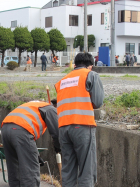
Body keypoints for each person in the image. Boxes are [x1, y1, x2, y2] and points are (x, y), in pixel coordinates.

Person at [55, 52, 104, 187]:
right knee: (86, 170)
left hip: (64, 128)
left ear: (75, 65)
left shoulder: (63, 81)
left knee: (68, 171)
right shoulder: (90, 75)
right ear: (90, 66)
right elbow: (98, 102)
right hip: (82, 126)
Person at [1, 101, 61, 187]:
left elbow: (28, 143)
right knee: (30, 170)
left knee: (14, 168)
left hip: (6, 128)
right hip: (21, 131)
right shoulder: (51, 109)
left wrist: (36, 155)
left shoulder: (36, 105)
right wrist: (58, 146)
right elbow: (57, 132)